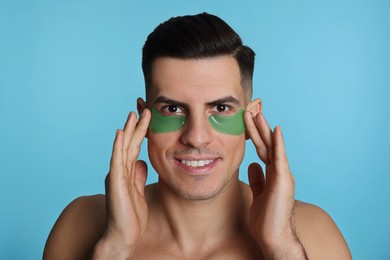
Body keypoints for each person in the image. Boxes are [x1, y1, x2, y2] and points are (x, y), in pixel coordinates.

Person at [43, 13, 351, 259]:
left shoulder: (313, 234)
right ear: (144, 119)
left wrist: (281, 248)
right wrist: (114, 248)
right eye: (173, 108)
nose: (197, 137)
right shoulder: (81, 224)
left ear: (252, 119)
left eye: (221, 107)